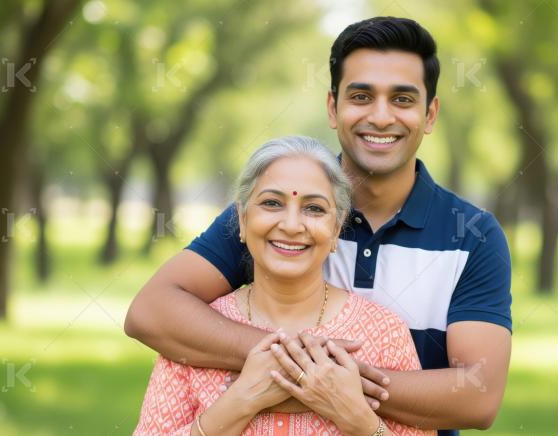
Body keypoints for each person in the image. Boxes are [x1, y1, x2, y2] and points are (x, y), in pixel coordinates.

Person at [126, 17, 512, 435]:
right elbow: (152, 312)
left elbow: (478, 396)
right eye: (361, 96)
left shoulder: (472, 236)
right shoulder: (275, 214)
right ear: (333, 107)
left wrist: (337, 384)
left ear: (430, 114)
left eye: (402, 99)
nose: (381, 116)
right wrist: (292, 361)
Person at [134, 136, 433, 435]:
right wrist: (240, 402)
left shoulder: (383, 334)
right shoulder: (196, 332)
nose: (291, 225)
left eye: (314, 208)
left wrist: (360, 421)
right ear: (242, 218)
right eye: (272, 203)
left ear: (336, 227)